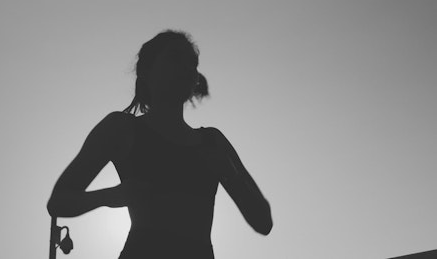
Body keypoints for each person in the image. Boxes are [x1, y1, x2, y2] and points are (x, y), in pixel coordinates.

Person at [46, 29, 273, 259]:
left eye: (191, 63)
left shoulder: (213, 142)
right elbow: (59, 202)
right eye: (175, 58)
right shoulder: (121, 128)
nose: (185, 68)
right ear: (147, 71)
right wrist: (112, 195)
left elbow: (264, 223)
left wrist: (231, 174)